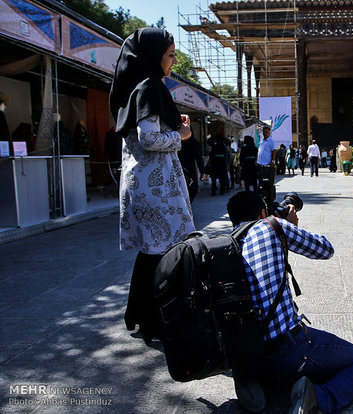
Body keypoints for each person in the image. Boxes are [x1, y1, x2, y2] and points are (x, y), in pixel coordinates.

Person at [226, 191, 353, 414]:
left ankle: (255, 381)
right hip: (287, 349)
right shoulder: (271, 226)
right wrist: (290, 226)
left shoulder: (225, 246)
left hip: (245, 355)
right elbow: (325, 250)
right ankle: (318, 399)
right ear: (262, 212)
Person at [109, 27, 195, 341]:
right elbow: (150, 139)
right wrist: (181, 136)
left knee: (152, 251)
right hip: (153, 188)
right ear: (153, 56)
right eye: (170, 55)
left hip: (147, 184)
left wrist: (175, 125)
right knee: (158, 252)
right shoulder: (148, 87)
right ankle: (150, 319)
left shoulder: (140, 86)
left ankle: (138, 315)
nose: (173, 61)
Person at [178, 127, 207, 202]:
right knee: (192, 189)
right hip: (190, 169)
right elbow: (199, 159)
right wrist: (202, 172)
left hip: (177, 168)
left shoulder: (176, 141)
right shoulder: (194, 142)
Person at [257, 126, 276, 200]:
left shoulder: (271, 141)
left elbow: (274, 151)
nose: (265, 133)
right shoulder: (261, 141)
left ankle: (270, 197)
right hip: (261, 165)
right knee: (261, 182)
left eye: (266, 132)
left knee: (268, 182)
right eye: (264, 132)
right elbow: (259, 152)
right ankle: (263, 196)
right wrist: (257, 161)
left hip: (268, 165)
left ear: (269, 132)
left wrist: (272, 161)